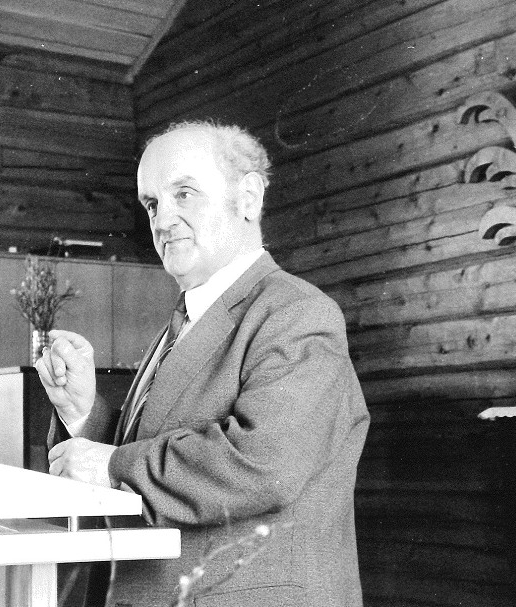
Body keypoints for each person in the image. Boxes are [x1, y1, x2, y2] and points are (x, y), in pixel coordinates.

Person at [35, 121, 369, 607]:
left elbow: (262, 464)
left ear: (248, 197)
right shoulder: (184, 320)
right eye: (152, 203)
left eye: (184, 194)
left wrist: (110, 464)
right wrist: (84, 414)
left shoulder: (298, 314)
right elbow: (158, 451)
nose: (162, 220)